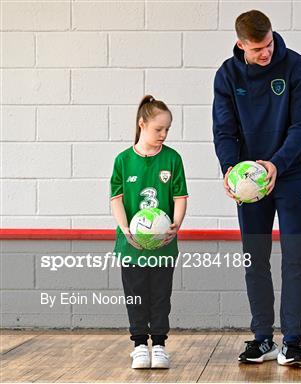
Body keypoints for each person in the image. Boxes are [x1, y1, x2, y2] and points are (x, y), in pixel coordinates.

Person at [212, 10, 301, 366]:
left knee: (294, 257)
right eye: (257, 48)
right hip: (250, 183)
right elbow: (224, 130)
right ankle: (262, 338)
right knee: (255, 260)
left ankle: (292, 341)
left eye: (269, 43)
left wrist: (276, 164)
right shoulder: (227, 75)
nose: (266, 53)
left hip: (292, 174)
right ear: (241, 44)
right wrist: (230, 169)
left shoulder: (296, 67)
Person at [110, 95, 188, 369]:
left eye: (167, 129)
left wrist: (175, 224)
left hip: (163, 247)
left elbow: (180, 197)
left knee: (160, 296)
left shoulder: (172, 159)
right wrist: (125, 228)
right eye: (158, 129)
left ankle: (160, 346)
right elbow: (116, 198)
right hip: (131, 246)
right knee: (136, 295)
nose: (163, 134)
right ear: (142, 124)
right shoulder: (123, 160)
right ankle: (140, 345)